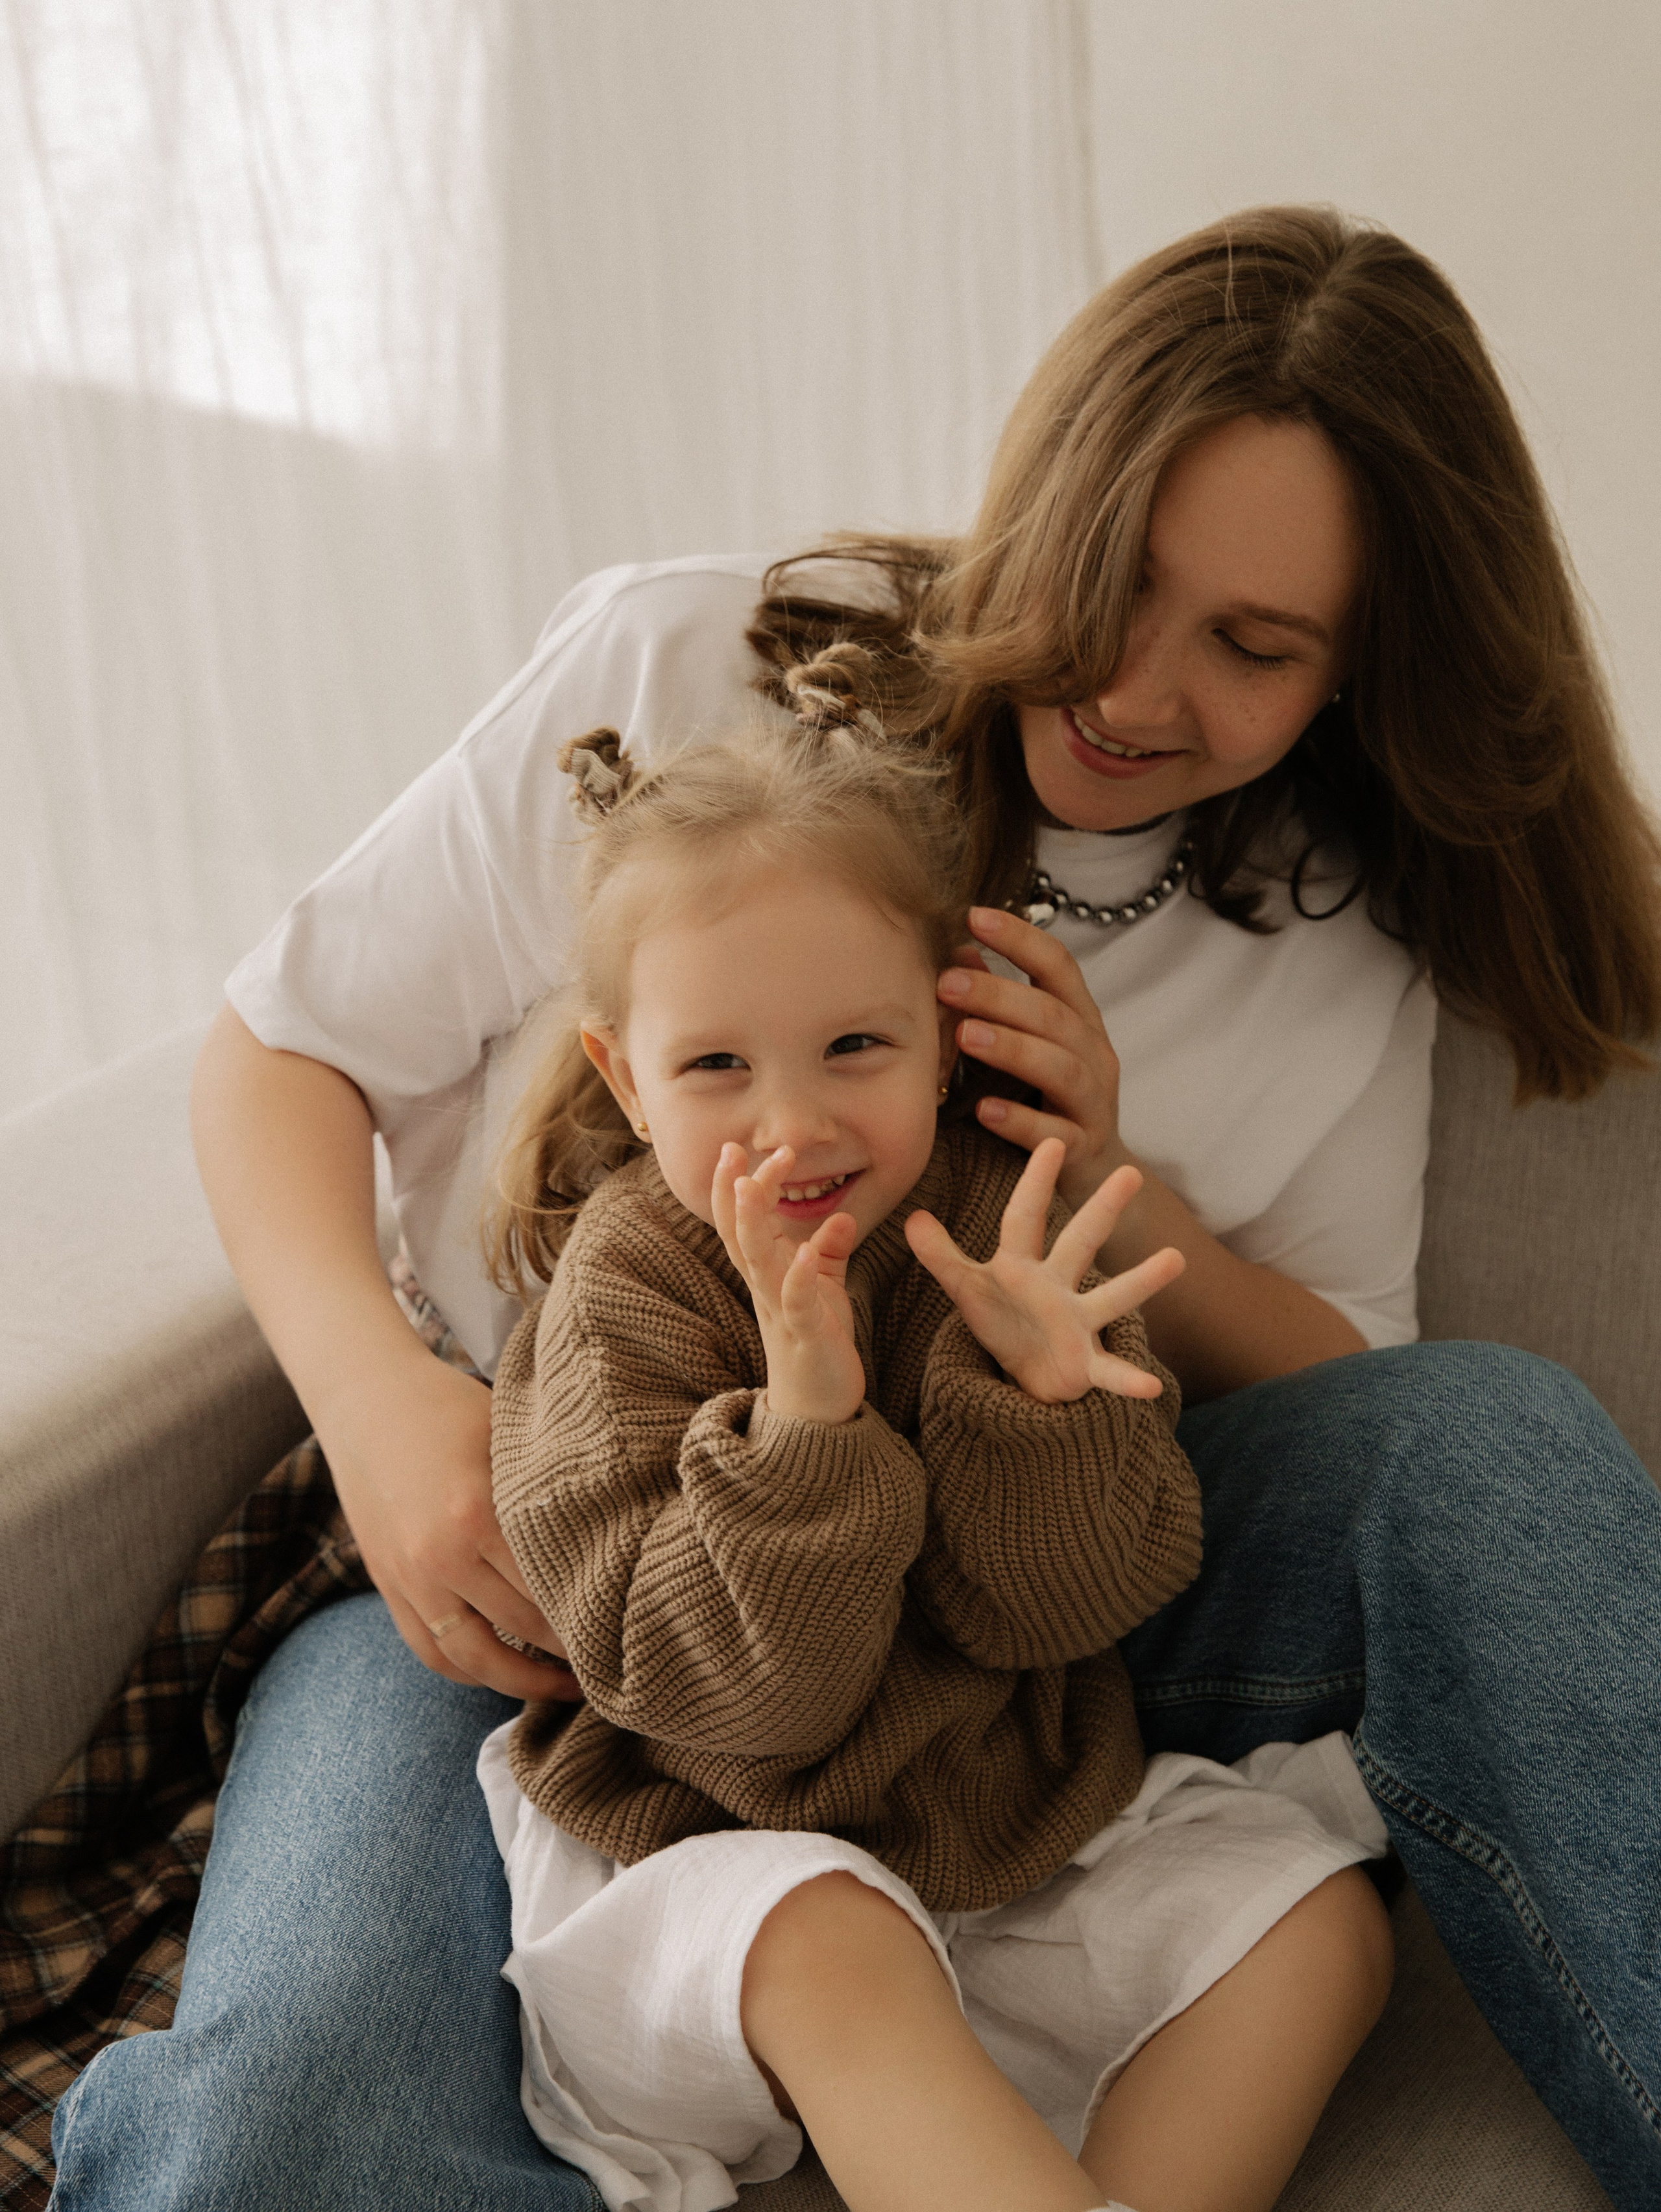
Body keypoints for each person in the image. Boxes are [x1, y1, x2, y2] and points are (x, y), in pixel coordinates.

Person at [47, 206, 1661, 2212]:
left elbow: (1361, 1403)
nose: (1141, 690)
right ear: (1040, 500)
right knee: (283, 2135)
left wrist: (1108, 1179)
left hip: (1030, 1589)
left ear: (1356, 671)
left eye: (1253, 647)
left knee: (1495, 1447)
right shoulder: (691, 658)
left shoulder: (1329, 917)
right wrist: (384, 1407)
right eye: (1114, 582)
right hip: (544, 1578)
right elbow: (281, 1045)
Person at [474, 714, 1391, 2212]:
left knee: (1321, 1928)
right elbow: (735, 1708)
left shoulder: (1001, 1220)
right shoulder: (625, 1289)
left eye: (854, 1045)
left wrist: (1047, 1406)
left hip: (1002, 1832)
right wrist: (804, 1429)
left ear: (941, 1028)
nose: (793, 1123)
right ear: (626, 1082)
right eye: (714, 1065)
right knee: (840, 1934)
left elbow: (1068, 1613)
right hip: (726, 1873)